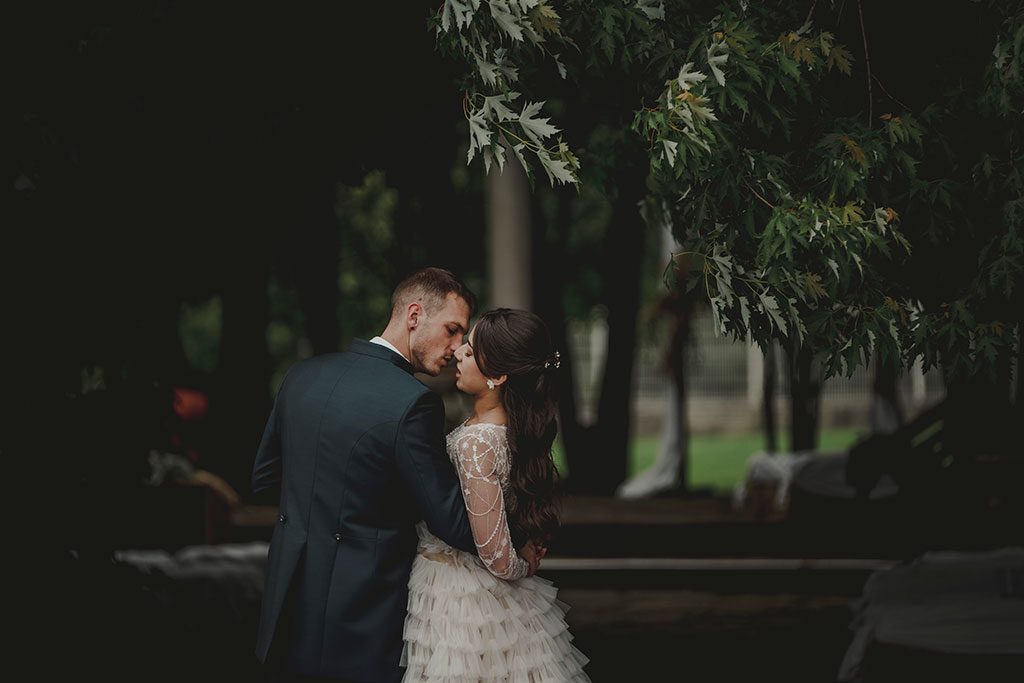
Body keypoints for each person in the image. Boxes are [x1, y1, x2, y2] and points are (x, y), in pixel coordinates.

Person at [252, 268, 539, 683]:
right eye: (453, 330)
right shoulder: (414, 403)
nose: (458, 348)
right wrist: (520, 537)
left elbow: (263, 478)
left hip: (287, 597)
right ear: (415, 315)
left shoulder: (301, 375)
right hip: (362, 611)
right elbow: (449, 519)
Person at [401, 308, 591, 683]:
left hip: (461, 596)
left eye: (470, 352)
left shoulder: (477, 442)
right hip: (474, 589)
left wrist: (523, 565)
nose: (457, 353)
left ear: (499, 376)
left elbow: (496, 556)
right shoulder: (510, 430)